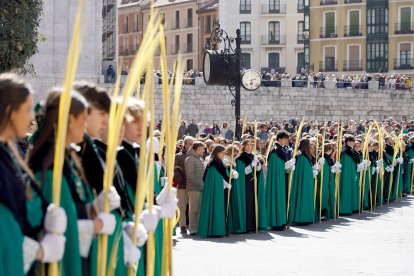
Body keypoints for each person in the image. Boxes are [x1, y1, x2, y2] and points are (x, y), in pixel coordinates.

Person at [29, 89, 118, 276]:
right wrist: (96, 226)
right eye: (83, 118)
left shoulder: (69, 159)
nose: (85, 126)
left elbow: (75, 210)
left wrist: (94, 208)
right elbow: (55, 225)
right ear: (69, 120)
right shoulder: (52, 165)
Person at [0, 73, 66, 275]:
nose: (31, 118)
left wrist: (44, 214)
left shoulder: (8, 155)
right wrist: (39, 251)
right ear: (11, 111)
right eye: (27, 109)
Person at [198, 145, 237, 238]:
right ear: (218, 153)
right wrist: (226, 184)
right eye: (223, 153)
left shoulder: (219, 162)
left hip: (221, 190)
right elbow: (216, 178)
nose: (224, 154)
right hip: (216, 190)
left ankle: (222, 229)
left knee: (222, 209)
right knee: (216, 208)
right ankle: (215, 230)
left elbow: (224, 173)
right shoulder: (213, 163)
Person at [235, 139, 267, 233]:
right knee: (248, 204)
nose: (249, 146)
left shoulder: (253, 156)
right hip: (245, 183)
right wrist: (251, 166)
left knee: (254, 203)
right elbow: (242, 172)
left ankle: (254, 225)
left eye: (251, 145)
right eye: (247, 145)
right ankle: (248, 226)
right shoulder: (240, 158)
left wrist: (257, 166)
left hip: (254, 183)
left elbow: (258, 171)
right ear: (243, 146)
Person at [266, 130, 292, 230]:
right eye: (285, 139)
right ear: (280, 139)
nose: (286, 141)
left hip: (281, 178)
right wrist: (287, 164)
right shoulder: (276, 150)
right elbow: (277, 166)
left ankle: (281, 221)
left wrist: (288, 165)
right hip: (277, 179)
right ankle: (277, 222)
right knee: (277, 197)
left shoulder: (280, 149)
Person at [288, 138, 315, 225]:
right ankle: (302, 217)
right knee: (303, 195)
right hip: (304, 181)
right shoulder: (302, 156)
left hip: (306, 180)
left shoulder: (303, 156)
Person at [184, 141, 206, 235]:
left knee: (199, 209)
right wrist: (200, 184)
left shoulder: (199, 158)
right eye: (202, 148)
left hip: (200, 187)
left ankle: (197, 227)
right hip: (194, 188)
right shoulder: (190, 159)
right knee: (194, 209)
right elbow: (190, 175)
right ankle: (193, 228)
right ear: (197, 148)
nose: (204, 150)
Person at [174, 136, 194, 234]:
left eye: (193, 144)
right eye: (190, 144)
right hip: (183, 185)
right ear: (185, 145)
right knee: (182, 206)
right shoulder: (178, 156)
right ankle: (182, 225)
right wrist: (181, 180)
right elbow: (176, 170)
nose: (191, 146)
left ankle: (192, 225)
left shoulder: (195, 156)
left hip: (193, 185)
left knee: (192, 206)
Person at [339, 135, 359, 215]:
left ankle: (352, 207)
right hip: (346, 174)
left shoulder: (350, 150)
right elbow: (347, 164)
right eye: (351, 142)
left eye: (353, 142)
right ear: (347, 142)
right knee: (346, 189)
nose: (352, 143)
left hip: (350, 173)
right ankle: (345, 209)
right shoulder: (346, 151)